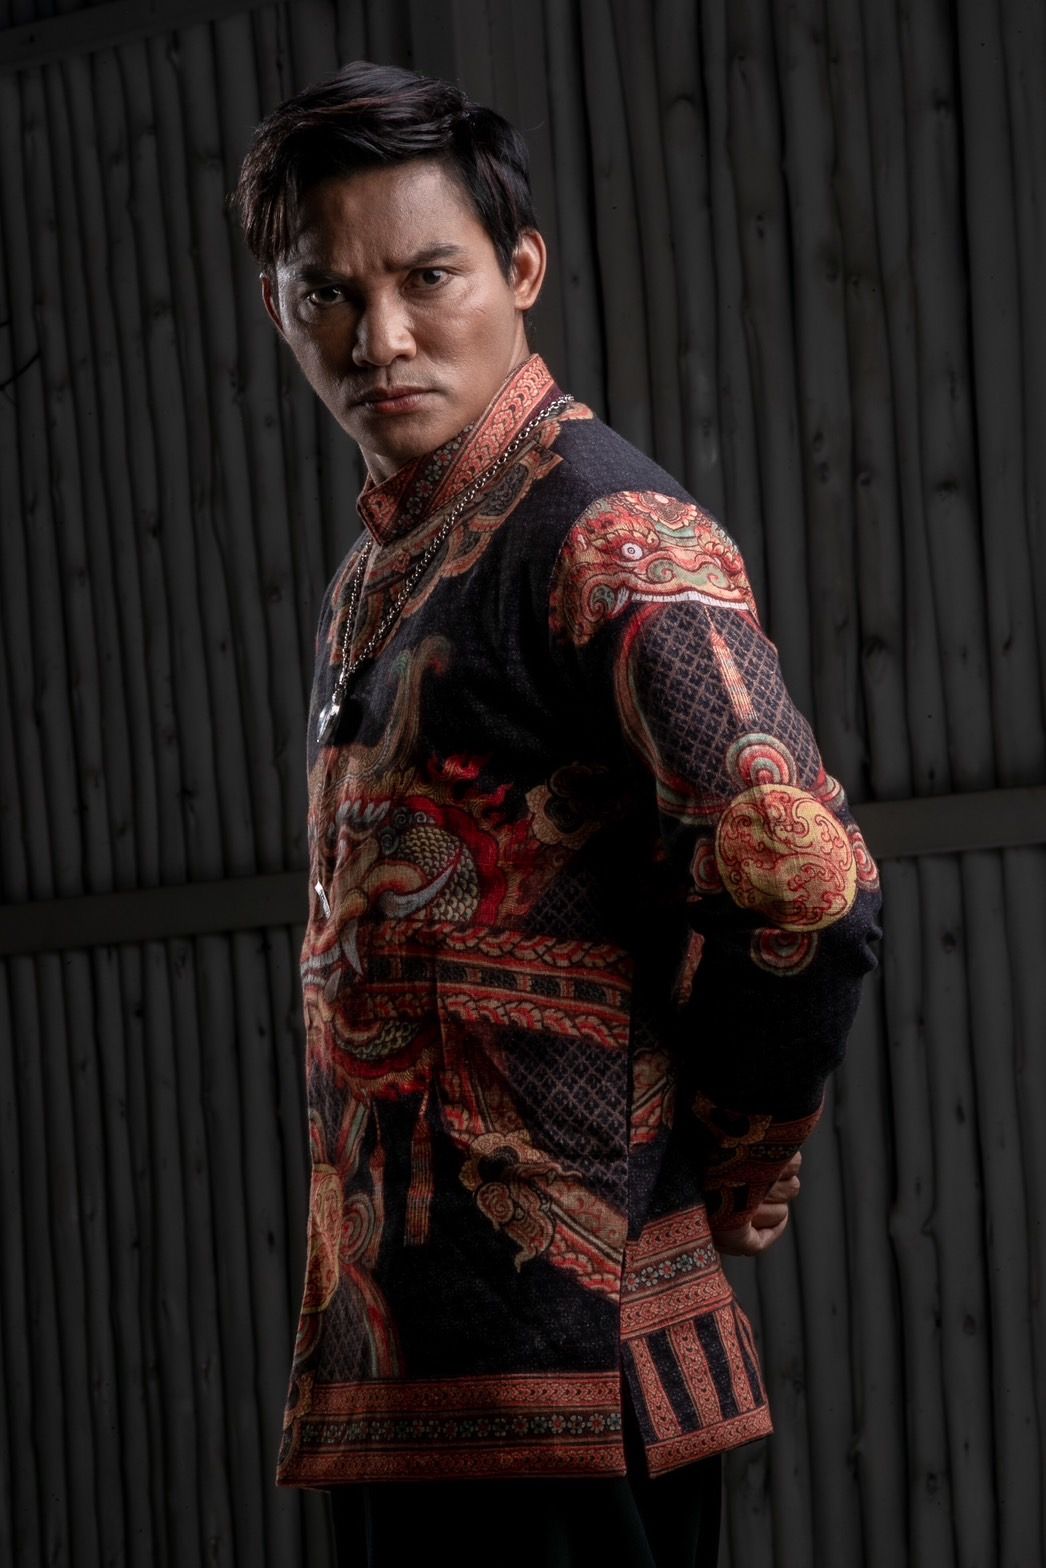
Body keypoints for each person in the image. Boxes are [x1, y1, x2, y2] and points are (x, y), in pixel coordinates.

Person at [235, 60, 882, 1567]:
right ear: (278, 309)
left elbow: (797, 876)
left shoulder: (600, 526)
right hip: (407, 1361)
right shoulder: (384, 560)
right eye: (328, 294)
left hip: (575, 1379)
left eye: (427, 277)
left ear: (519, 269)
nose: (380, 339)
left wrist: (740, 1142)